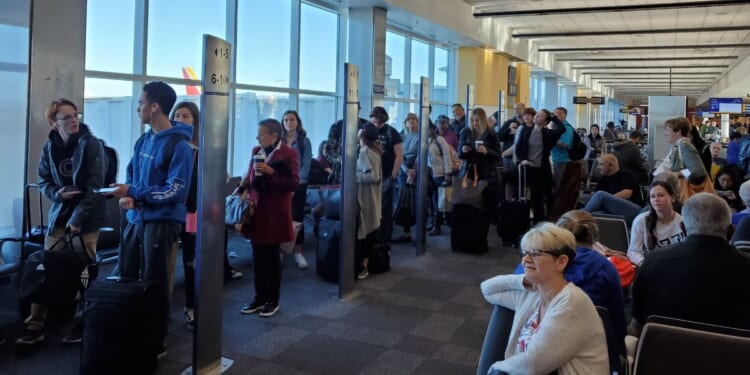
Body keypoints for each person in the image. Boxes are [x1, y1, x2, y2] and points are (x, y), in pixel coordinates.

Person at [109, 82, 194, 359]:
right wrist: (129, 195)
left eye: (140, 103)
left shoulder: (179, 146)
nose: (137, 108)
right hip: (136, 219)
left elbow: (175, 190)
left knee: (156, 282)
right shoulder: (144, 140)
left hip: (162, 223)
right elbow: (132, 170)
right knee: (128, 276)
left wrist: (133, 191)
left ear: (154, 106)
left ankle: (156, 339)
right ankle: (133, 330)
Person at [17, 98, 106, 346]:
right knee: (45, 268)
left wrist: (77, 219)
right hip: (60, 215)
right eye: (66, 117)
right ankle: (34, 325)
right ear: (54, 123)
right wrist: (58, 194)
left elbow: (94, 188)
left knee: (85, 271)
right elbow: (44, 181)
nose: (73, 119)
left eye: (75, 114)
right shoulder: (50, 148)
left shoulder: (91, 145)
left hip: (87, 218)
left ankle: (81, 320)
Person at [481, 223, 609, 375]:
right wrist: (524, 280)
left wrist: (494, 369)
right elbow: (488, 289)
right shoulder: (533, 295)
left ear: (561, 262)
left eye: (535, 253)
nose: (526, 259)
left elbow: (532, 363)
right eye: (524, 253)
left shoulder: (572, 301)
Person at [630, 193, 750, 336]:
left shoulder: (652, 263)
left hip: (662, 354)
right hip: (732, 356)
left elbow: (638, 323)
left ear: (683, 229)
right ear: (731, 232)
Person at [170, 101, 242, 331]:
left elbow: (217, 179)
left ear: (195, 121)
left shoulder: (204, 149)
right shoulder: (167, 145)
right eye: (177, 115)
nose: (180, 120)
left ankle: (191, 307)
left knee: (191, 260)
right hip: (169, 212)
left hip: (193, 213)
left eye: (186, 116)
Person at [513, 210, 626, 345]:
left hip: (531, 338)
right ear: (593, 237)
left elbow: (514, 288)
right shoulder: (607, 270)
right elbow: (617, 321)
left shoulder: (535, 264)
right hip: (590, 344)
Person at [239, 119, 299, 318]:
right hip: (257, 210)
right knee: (258, 257)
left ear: (274, 135)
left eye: (261, 134)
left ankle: (272, 300)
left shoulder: (288, 154)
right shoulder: (256, 151)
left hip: (275, 213)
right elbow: (249, 175)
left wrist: (271, 172)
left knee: (272, 257)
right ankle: (258, 298)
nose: (258, 137)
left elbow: (293, 183)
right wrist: (244, 186)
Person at [514, 109, 564, 224]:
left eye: (541, 116)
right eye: (537, 115)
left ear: (545, 121)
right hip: (527, 168)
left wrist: (553, 117)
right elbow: (518, 148)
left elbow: (562, 129)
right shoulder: (526, 130)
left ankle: (539, 223)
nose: (536, 117)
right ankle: (523, 223)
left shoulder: (548, 133)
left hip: (541, 170)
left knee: (539, 199)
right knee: (524, 197)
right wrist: (522, 160)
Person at [458, 108, 501, 224]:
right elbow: (459, 154)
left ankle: (484, 228)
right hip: (469, 172)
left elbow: (498, 154)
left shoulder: (491, 133)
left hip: (485, 173)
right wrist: (463, 150)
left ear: (483, 120)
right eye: (472, 120)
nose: (475, 123)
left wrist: (487, 151)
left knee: (485, 204)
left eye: (477, 120)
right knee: (469, 204)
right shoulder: (465, 132)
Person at [627, 181, 686, 266]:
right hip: (652, 267)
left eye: (661, 195)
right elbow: (633, 252)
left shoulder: (683, 221)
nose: (656, 199)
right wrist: (644, 264)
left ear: (672, 198)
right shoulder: (641, 221)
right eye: (652, 196)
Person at [281, 110, 312, 269]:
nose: (289, 123)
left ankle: (298, 251)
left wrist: (296, 184)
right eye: (286, 120)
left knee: (297, 218)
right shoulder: (279, 140)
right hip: (281, 184)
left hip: (299, 184)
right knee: (280, 216)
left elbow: (306, 164)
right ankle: (280, 249)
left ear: (297, 122)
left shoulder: (304, 141)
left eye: (292, 120)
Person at [654, 117, 710, 201]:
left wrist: (676, 174)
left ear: (678, 132)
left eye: (668, 130)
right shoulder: (679, 146)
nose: (665, 134)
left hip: (685, 194)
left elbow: (698, 171)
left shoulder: (684, 146)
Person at [370, 106, 403, 244]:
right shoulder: (366, 129)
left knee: (385, 209)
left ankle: (383, 238)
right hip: (370, 175)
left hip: (386, 175)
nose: (377, 125)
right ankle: (371, 236)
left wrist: (393, 176)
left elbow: (399, 156)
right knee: (370, 207)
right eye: (375, 122)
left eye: (380, 123)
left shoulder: (392, 132)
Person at [583, 155, 644, 226]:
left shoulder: (626, 175)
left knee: (601, 195)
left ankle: (579, 215)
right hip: (614, 211)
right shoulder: (604, 179)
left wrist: (606, 201)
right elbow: (595, 197)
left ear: (611, 165)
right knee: (593, 215)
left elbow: (626, 194)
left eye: (601, 164)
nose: (598, 167)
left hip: (633, 211)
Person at [355, 123, 382, 279]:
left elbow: (374, 176)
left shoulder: (366, 152)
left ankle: (363, 265)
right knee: (368, 231)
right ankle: (364, 264)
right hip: (369, 197)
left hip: (366, 197)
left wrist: (353, 176)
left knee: (367, 231)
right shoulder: (372, 150)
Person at [549, 107, 582, 220]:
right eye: (555, 114)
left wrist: (551, 138)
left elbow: (565, 144)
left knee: (560, 188)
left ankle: (560, 216)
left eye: (559, 113)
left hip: (563, 161)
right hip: (557, 160)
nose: (556, 116)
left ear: (565, 115)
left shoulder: (566, 128)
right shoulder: (557, 127)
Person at [393, 113, 419, 243]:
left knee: (416, 201)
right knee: (404, 201)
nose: (411, 121)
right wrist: (404, 170)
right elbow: (398, 155)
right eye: (408, 119)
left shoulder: (420, 136)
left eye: (413, 119)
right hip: (403, 170)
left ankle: (419, 234)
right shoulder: (401, 135)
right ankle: (406, 232)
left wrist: (412, 171)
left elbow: (421, 154)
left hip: (415, 169)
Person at [426, 122, 454, 236]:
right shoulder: (427, 141)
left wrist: (448, 172)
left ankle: (438, 225)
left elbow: (447, 155)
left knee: (439, 200)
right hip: (430, 173)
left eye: (428, 129)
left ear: (433, 129)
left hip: (440, 173)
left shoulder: (440, 139)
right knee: (433, 200)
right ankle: (434, 223)